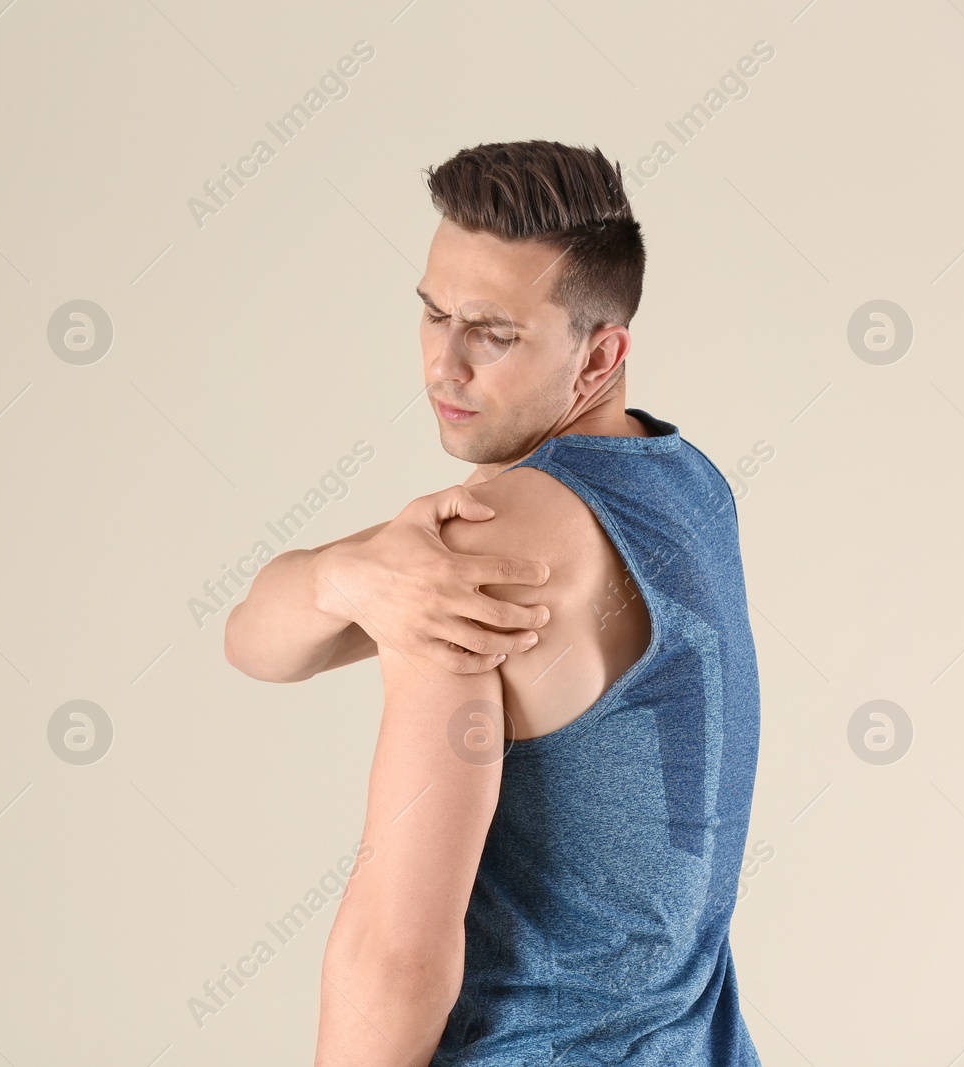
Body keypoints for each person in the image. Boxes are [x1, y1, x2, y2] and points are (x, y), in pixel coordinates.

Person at [224, 140, 763, 1066]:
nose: (444, 366)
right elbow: (257, 639)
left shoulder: (487, 547)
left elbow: (394, 951)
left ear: (600, 355)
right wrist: (340, 576)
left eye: (492, 333)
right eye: (433, 316)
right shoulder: (692, 486)